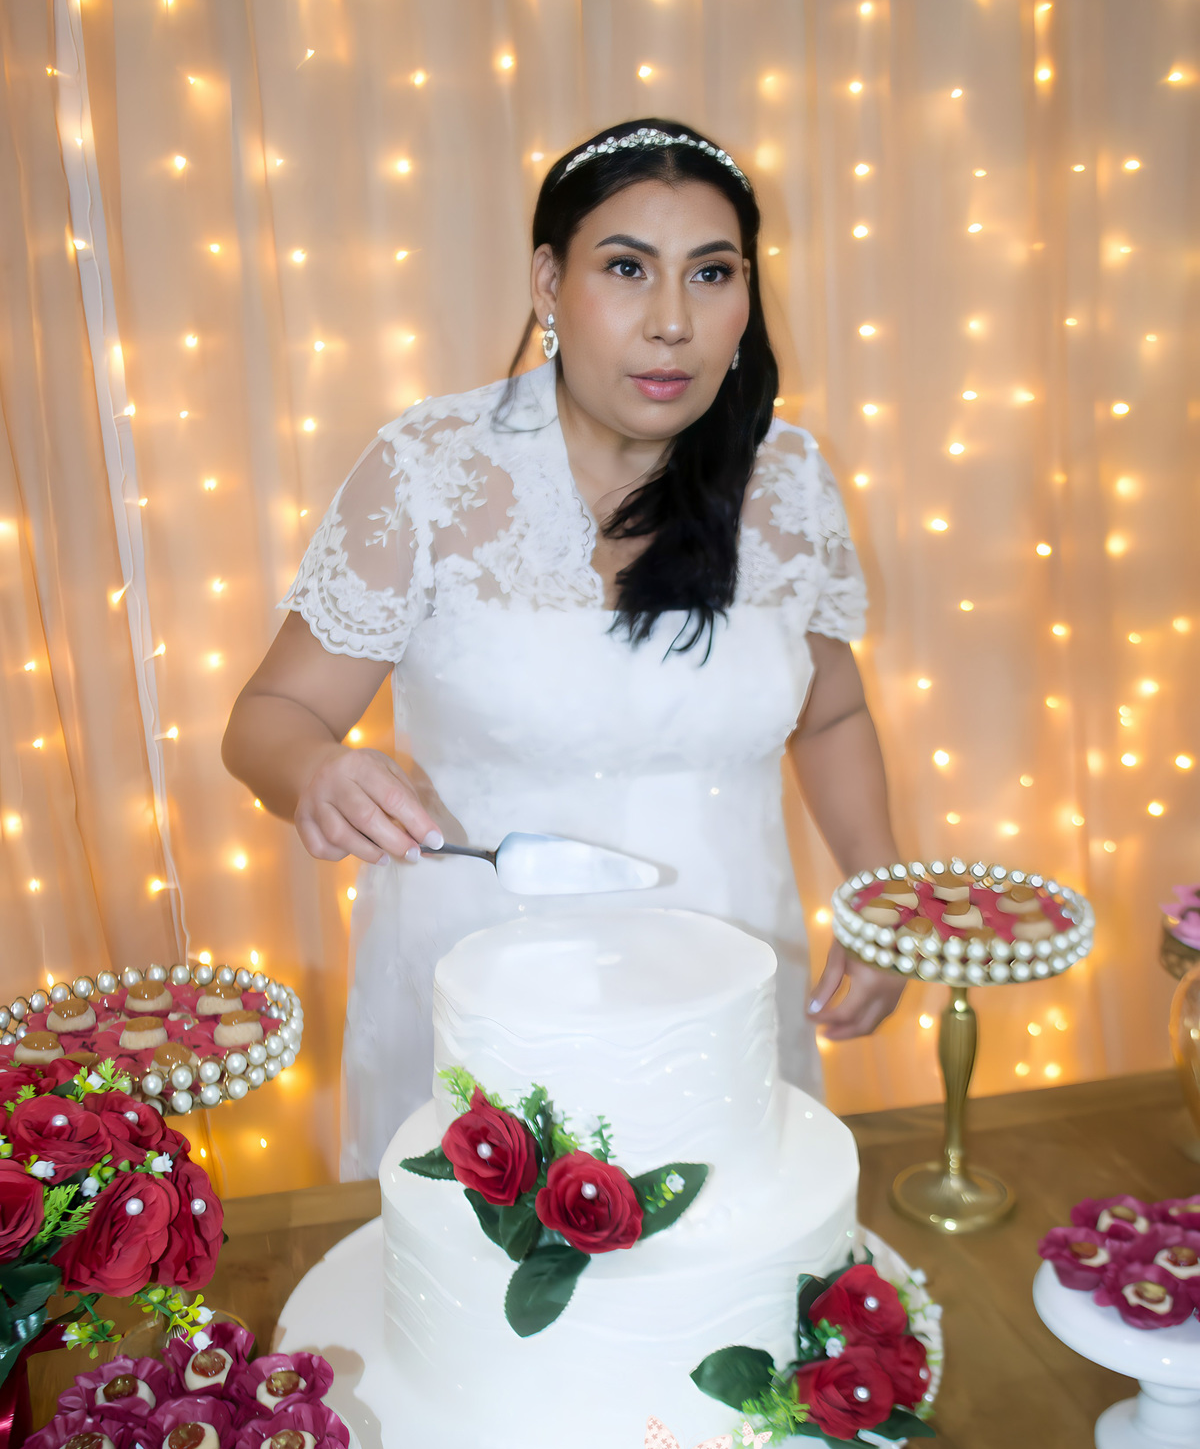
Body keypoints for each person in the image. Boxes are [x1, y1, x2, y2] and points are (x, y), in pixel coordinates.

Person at [223, 117, 905, 1179]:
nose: (673, 321)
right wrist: (316, 768)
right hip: (476, 997)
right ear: (549, 282)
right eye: (627, 268)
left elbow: (831, 711)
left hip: (724, 983)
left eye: (712, 274)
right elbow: (269, 719)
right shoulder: (429, 469)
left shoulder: (791, 480)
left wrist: (877, 889)